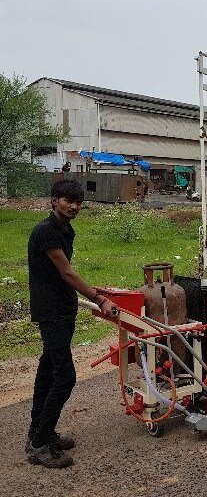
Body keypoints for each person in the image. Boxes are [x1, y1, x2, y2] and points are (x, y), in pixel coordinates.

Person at [26, 179, 118, 468]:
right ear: (55, 200)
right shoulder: (46, 231)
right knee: (65, 377)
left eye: (79, 203)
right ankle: (39, 446)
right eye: (69, 201)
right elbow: (66, 272)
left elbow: (66, 274)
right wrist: (99, 298)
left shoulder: (66, 230)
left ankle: (39, 434)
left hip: (64, 309)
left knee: (48, 373)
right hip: (51, 311)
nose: (75, 207)